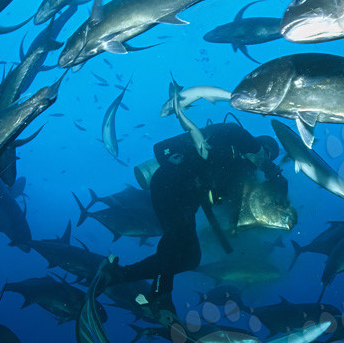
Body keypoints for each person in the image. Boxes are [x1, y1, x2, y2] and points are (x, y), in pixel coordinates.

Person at [105, 122, 284, 323]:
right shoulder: (230, 135)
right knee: (174, 242)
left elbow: (227, 206)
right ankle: (158, 295)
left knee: (190, 258)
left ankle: (120, 276)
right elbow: (160, 147)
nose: (262, 160)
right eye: (264, 152)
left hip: (187, 202)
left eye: (268, 158)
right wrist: (258, 152)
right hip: (170, 183)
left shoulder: (241, 175)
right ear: (256, 144)